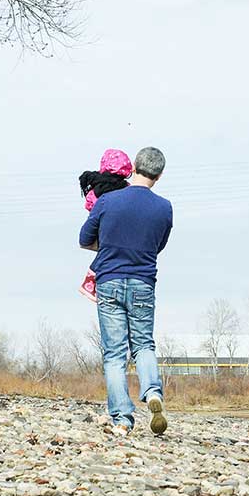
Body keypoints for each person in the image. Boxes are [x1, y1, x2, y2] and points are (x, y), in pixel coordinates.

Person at [79, 146, 173, 436]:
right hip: (143, 282)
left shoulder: (108, 201)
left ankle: (122, 419)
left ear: (133, 168)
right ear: (160, 175)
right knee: (144, 345)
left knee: (114, 354)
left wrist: (108, 244)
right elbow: (158, 245)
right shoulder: (164, 207)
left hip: (109, 282)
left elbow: (84, 239)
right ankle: (153, 392)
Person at [77, 149, 134, 301]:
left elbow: (90, 205)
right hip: (120, 229)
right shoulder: (127, 188)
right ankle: (89, 282)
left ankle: (90, 283)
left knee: (104, 251)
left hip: (102, 227)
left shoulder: (96, 187)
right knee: (110, 252)